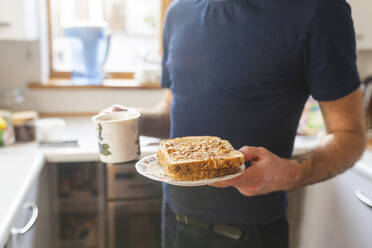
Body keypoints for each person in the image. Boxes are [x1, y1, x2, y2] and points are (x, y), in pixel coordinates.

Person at [106, 0, 366, 247]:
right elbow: (175, 114)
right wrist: (132, 122)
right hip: (175, 220)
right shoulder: (178, 12)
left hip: (249, 234)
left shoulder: (318, 10)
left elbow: (351, 135)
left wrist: (290, 172)